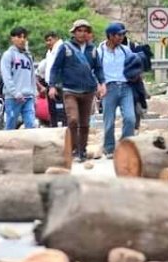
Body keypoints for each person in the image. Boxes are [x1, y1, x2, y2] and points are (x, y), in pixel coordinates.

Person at [49, 19, 105, 162]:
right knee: (73, 120)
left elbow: (98, 68)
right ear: (74, 32)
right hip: (70, 90)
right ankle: (73, 149)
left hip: (88, 90)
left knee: (85, 123)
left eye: (85, 31)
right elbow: (55, 67)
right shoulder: (65, 48)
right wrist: (52, 85)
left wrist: (102, 83)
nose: (82, 33)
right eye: (79, 30)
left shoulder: (92, 50)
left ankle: (82, 151)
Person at [97, 23, 136, 159]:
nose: (122, 37)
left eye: (123, 34)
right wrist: (99, 86)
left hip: (126, 87)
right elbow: (95, 70)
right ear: (110, 36)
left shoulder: (126, 50)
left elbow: (134, 65)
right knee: (109, 121)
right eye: (119, 35)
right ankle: (109, 148)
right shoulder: (99, 52)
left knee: (130, 118)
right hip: (109, 88)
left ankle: (126, 146)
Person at [0, 27, 36, 130]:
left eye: (24, 37)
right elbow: (6, 76)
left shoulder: (28, 56)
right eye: (19, 37)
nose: (22, 40)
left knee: (31, 124)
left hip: (28, 96)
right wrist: (15, 93)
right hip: (13, 97)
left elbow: (32, 77)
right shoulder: (8, 55)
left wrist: (34, 94)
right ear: (12, 39)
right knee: (11, 125)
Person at [43, 31, 65, 127]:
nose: (48, 43)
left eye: (50, 40)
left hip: (60, 83)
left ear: (56, 39)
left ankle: (65, 129)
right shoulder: (49, 52)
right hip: (50, 83)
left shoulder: (61, 48)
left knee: (64, 111)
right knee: (52, 111)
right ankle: (54, 128)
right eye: (46, 41)